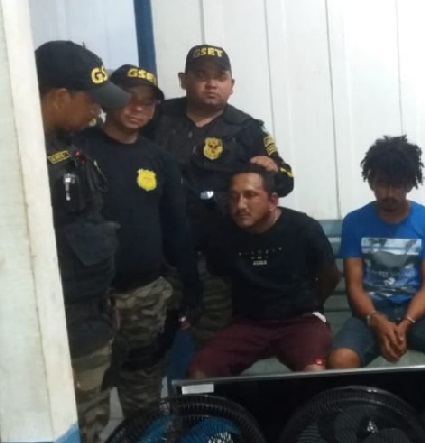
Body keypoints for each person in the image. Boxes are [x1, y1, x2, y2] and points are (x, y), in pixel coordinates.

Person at [142, 44, 295, 348]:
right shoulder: (156, 118)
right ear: (183, 79)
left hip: (219, 260)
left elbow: (286, 181)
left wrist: (273, 170)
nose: (211, 84)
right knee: (151, 346)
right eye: (201, 75)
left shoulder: (247, 129)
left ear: (231, 84)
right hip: (160, 258)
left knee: (215, 347)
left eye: (220, 77)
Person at [74, 64, 203, 418]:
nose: (138, 108)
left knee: (144, 395)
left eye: (147, 102)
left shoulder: (160, 160)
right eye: (128, 98)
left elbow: (176, 228)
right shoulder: (77, 149)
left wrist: (191, 286)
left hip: (144, 295)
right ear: (108, 100)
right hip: (89, 301)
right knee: (89, 399)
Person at [327, 135, 425, 412]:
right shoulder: (355, 222)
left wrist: (406, 323)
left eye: (397, 185)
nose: (389, 194)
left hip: (418, 315)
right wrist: (377, 321)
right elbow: (354, 286)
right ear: (370, 182)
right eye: (381, 184)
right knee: (340, 360)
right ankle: (361, 426)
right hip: (369, 316)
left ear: (410, 183)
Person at [35, 40, 130, 443]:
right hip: (60, 330)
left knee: (91, 423)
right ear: (59, 97)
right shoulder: (20, 160)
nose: (98, 112)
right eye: (91, 101)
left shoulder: (63, 145)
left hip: (90, 319)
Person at [187, 164, 339, 377]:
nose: (240, 205)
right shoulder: (223, 233)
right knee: (199, 372)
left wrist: (311, 303)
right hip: (248, 323)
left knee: (315, 372)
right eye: (234, 197)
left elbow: (330, 276)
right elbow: (220, 276)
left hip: (300, 320)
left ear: (273, 201)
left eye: (250, 196)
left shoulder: (302, 228)